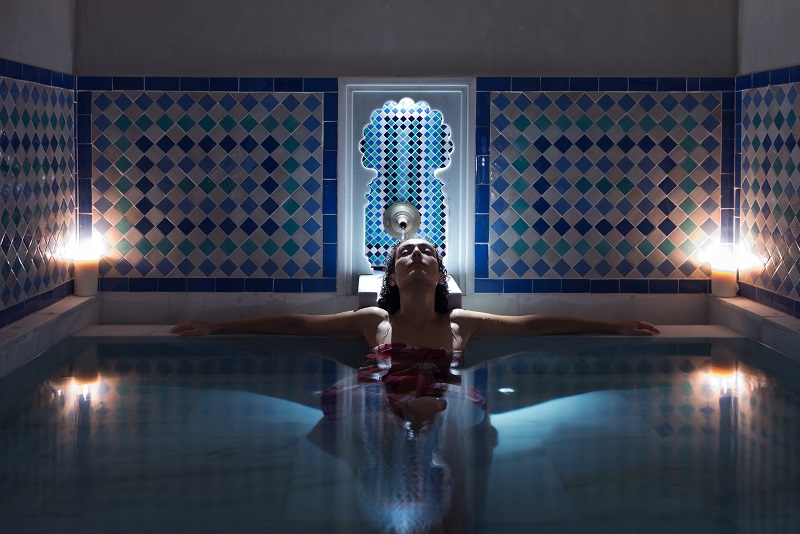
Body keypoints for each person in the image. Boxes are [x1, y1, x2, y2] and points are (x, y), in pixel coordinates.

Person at [170, 237, 661, 346]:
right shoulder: (374, 321)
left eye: (428, 252)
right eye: (405, 254)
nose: (417, 257)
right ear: (392, 278)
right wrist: (216, 325)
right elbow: (297, 324)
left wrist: (613, 325)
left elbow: (535, 325)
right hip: (380, 400)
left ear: (441, 274)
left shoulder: (462, 323)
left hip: (448, 401)